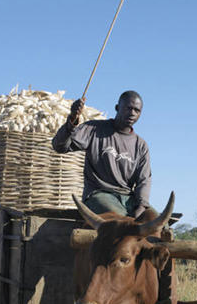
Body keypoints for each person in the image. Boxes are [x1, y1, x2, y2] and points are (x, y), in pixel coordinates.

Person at [52, 90, 152, 218]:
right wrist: (72, 119)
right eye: (128, 108)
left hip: (128, 198)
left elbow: (144, 180)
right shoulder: (93, 129)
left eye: (136, 110)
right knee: (119, 220)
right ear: (117, 108)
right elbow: (59, 146)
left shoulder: (141, 145)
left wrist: (142, 206)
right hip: (98, 195)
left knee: (160, 223)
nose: (132, 113)